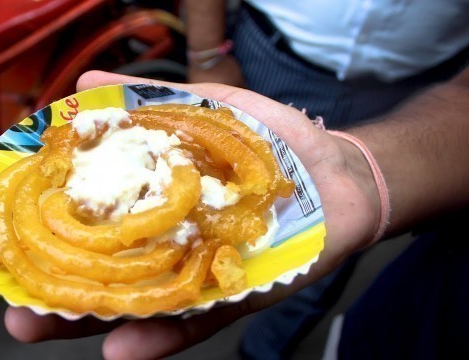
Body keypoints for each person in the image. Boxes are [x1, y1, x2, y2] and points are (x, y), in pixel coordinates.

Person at [0, 67, 469, 359]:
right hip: (400, 320)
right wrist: (361, 171)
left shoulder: (202, 190)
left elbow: (257, 179)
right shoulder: (50, 177)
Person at [183, 1, 469, 357]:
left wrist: (368, 176)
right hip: (271, 52)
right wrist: (206, 53)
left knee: (331, 247)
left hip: (418, 84)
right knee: (210, 167)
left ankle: (262, 349)